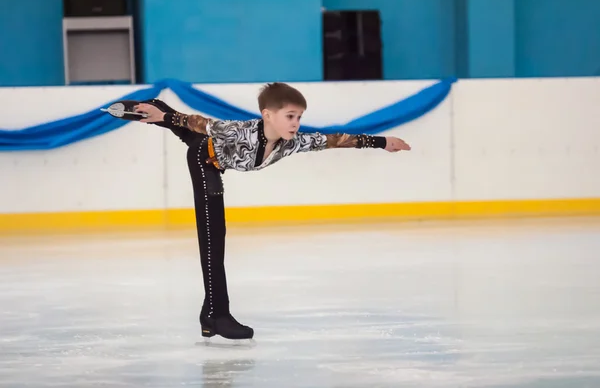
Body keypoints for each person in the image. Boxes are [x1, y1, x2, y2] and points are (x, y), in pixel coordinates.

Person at [115, 83, 411, 341]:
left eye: (299, 117)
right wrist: (167, 117)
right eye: (290, 116)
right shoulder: (241, 131)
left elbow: (333, 140)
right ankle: (218, 315)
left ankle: (209, 316)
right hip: (205, 160)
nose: (296, 123)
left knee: (213, 225)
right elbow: (199, 123)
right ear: (268, 115)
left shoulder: (292, 143)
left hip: (215, 152)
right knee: (213, 239)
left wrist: (382, 142)